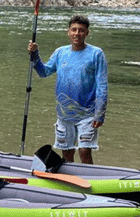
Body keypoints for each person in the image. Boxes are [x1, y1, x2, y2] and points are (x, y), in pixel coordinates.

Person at [28, 14, 108, 164]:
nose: (77, 33)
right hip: (64, 114)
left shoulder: (96, 54)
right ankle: (69, 181)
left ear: (87, 33)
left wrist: (100, 114)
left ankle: (90, 180)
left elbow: (102, 85)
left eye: (81, 30)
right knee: (67, 153)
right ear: (68, 31)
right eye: (74, 30)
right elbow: (44, 72)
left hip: (88, 113)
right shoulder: (60, 52)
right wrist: (35, 55)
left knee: (84, 151)